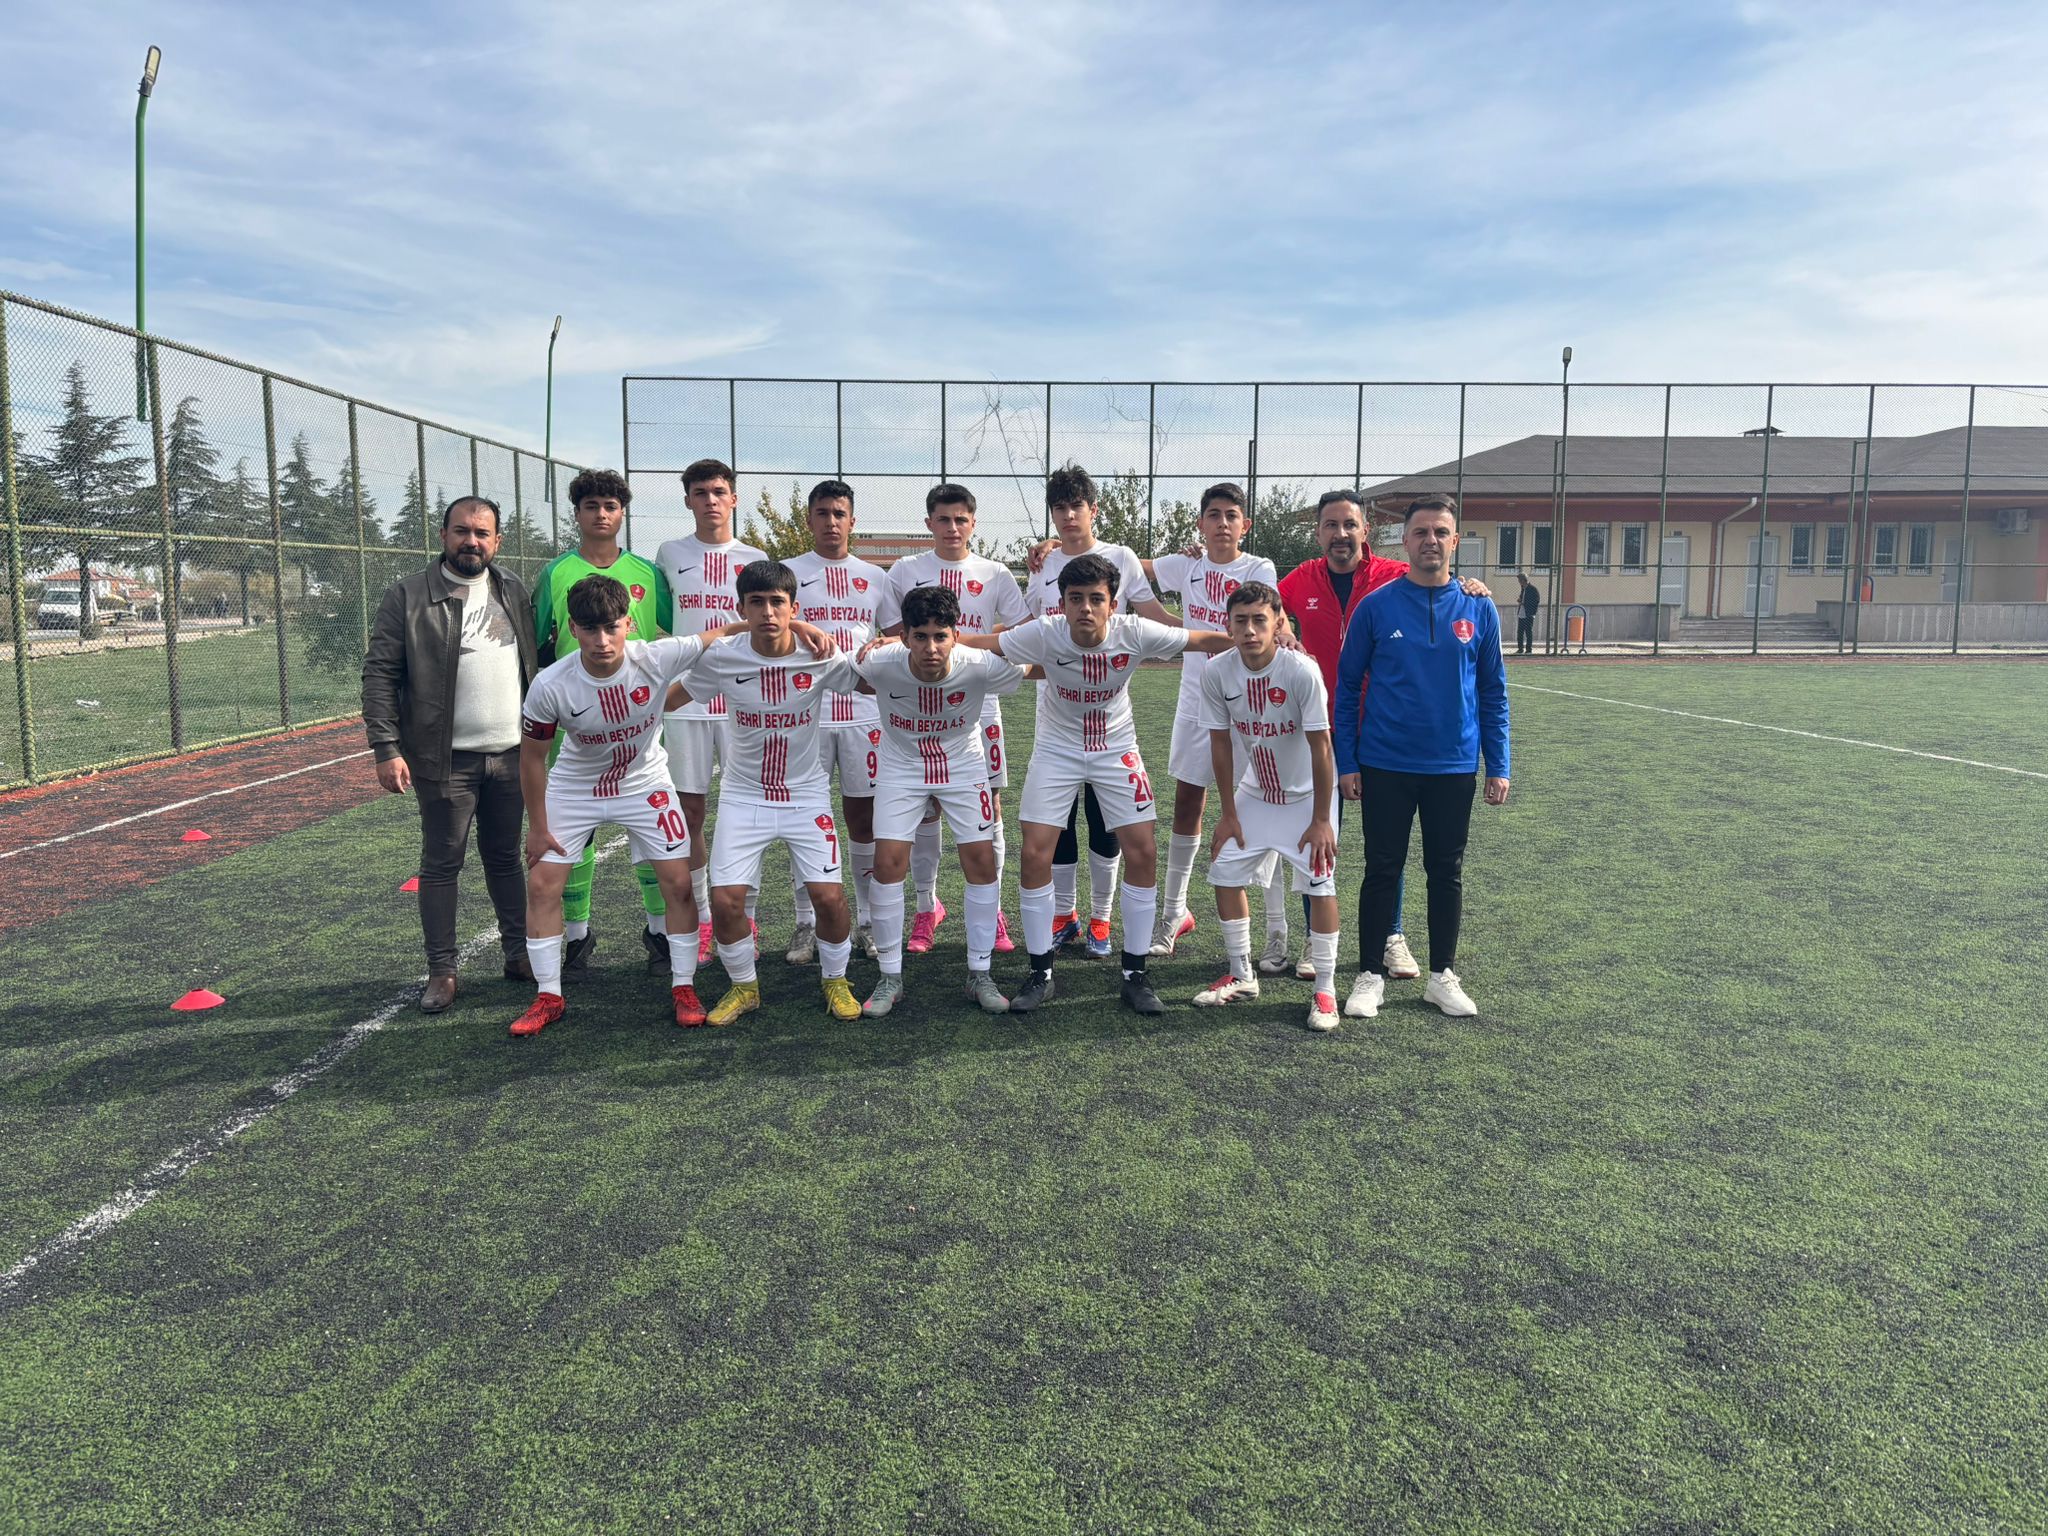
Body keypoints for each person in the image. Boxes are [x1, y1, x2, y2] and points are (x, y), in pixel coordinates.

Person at [959, 552, 1234, 1015]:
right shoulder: (1044, 632)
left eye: (1095, 599)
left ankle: (1135, 974)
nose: (1085, 608)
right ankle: (1041, 972)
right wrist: (906, 641)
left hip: (1115, 748)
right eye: (1075, 599)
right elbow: (983, 642)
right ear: (1063, 603)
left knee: (1142, 850)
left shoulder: (1135, 631)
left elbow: (1199, 638)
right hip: (1057, 749)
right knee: (1035, 851)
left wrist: (1267, 637)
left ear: (1113, 604)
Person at [508, 578, 755, 1037]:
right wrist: (538, 828)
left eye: (611, 628)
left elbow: (724, 632)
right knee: (542, 885)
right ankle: (548, 996)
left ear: (628, 624)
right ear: (573, 629)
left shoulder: (656, 657)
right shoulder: (551, 684)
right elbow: (532, 759)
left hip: (645, 785)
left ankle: (684, 986)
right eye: (589, 629)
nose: (602, 641)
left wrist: (802, 627)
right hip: (576, 788)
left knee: (678, 883)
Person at [1277, 490, 1491, 984]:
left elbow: (1436, 578)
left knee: (1386, 851)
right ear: (1318, 533)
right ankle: (1315, 934)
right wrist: (1284, 626)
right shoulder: (1301, 579)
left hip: (1379, 736)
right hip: (1316, 732)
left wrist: (1471, 585)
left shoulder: (1391, 576)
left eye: (1349, 524)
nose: (1340, 534)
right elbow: (1263, 602)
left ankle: (1392, 936)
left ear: (1365, 530)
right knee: (1318, 839)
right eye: (1330, 525)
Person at [1334, 494, 1510, 1021]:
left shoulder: (1479, 607)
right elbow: (1347, 689)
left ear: (1454, 541)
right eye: (1421, 532)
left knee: (1446, 871)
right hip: (1385, 762)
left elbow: (1493, 692)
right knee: (1381, 868)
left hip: (1453, 766)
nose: (1430, 540)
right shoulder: (1376, 607)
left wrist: (1498, 763)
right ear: (1404, 542)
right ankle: (1370, 975)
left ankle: (1442, 976)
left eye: (1440, 532)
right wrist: (1348, 761)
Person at [363, 494, 538, 1014]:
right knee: (442, 864)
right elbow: (380, 674)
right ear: (443, 536)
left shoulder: (513, 589)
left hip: (511, 755)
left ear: (497, 541)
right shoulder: (408, 596)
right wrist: (386, 747)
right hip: (445, 760)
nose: (471, 542)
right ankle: (442, 971)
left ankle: (518, 954)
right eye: (462, 531)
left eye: (482, 533)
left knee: (505, 858)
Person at [677, 560, 866, 1025]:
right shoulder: (722, 656)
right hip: (744, 796)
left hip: (806, 796)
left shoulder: (819, 653)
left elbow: (867, 681)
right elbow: (678, 695)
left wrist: (885, 649)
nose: (767, 612)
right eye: (756, 602)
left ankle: (836, 980)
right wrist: (620, 714)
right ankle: (744, 987)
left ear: (793, 608)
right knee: (726, 901)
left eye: (777, 602)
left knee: (829, 898)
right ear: (741, 609)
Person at [1023, 464, 1181, 959]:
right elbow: (1030, 632)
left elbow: (1156, 619)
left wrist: (1229, 630)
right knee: (1058, 822)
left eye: (1077, 506)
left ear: (1094, 509)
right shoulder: (1043, 565)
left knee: (1106, 818)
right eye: (1060, 508)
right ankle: (1063, 915)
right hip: (1056, 714)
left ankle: (1100, 918)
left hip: (1110, 719)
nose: (1069, 516)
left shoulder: (1122, 558)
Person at [872, 483, 1033, 955]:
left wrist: (969, 649)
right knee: (923, 808)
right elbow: (895, 635)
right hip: (916, 704)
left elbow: (1021, 632)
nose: (952, 528)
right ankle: (927, 906)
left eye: (961, 519)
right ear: (929, 523)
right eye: (943, 519)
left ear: (973, 523)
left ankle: (993, 910)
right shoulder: (906, 570)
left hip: (977, 703)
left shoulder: (995, 572)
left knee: (991, 807)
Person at [854, 584, 1027, 1016]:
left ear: (955, 635)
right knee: (888, 863)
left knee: (981, 861)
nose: (930, 648)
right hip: (901, 766)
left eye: (940, 636)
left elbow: (1026, 666)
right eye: (920, 637)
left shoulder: (978, 663)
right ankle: (890, 977)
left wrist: (998, 641)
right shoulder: (879, 661)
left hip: (963, 765)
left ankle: (980, 973)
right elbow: (839, 672)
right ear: (903, 637)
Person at [530, 468, 675, 977]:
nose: (601, 514)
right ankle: (576, 936)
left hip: (637, 723)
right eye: (591, 505)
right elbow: (538, 644)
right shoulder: (555, 574)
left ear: (622, 513)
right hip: (576, 724)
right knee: (575, 834)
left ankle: (659, 932)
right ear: (577, 514)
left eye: (610, 505)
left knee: (649, 831)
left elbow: (672, 634)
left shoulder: (647, 573)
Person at [1140, 481, 1289, 964]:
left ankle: (1276, 929)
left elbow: (1274, 618)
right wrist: (1056, 546)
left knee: (1262, 809)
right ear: (1200, 524)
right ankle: (1173, 913)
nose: (1222, 523)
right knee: (1188, 804)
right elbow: (1125, 565)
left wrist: (1287, 635)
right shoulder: (1186, 565)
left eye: (1231, 515)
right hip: (1196, 703)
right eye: (1213, 515)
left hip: (1252, 709)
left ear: (1245, 525)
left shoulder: (1258, 568)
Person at [1192, 581, 1342, 1032]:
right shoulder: (1216, 672)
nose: (1250, 630)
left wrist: (1321, 819)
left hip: (1306, 800)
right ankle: (1241, 975)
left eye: (1260, 620)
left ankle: (1326, 991)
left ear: (1279, 624)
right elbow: (1220, 745)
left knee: (1320, 884)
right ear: (1228, 625)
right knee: (1223, 870)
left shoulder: (1300, 671)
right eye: (1241, 621)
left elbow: (1322, 747)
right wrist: (1228, 813)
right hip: (1256, 793)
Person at [654, 459, 768, 964]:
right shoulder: (669, 553)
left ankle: (747, 917)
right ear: (688, 501)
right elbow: (665, 621)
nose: (711, 500)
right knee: (691, 811)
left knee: (752, 807)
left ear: (734, 499)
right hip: (688, 700)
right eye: (700, 492)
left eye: (719, 491)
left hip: (745, 699)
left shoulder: (755, 557)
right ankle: (703, 919)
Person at [784, 480, 887, 964]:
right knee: (803, 818)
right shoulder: (789, 572)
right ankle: (805, 923)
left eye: (839, 513)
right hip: (805, 714)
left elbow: (896, 635)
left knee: (863, 819)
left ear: (852, 521)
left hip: (864, 715)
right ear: (809, 519)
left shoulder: (875, 576)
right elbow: (770, 623)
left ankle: (866, 920)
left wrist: (883, 645)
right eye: (822, 513)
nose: (831, 522)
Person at [1516, 573, 1540, 655]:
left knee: (1528, 631)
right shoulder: (1523, 589)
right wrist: (1520, 600)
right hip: (1522, 612)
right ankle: (1520, 649)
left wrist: (1524, 603)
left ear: (1523, 580)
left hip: (1529, 613)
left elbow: (1536, 601)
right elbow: (1522, 598)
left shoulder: (1533, 589)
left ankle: (1529, 649)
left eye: (1520, 580)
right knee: (1520, 631)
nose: (1519, 582)